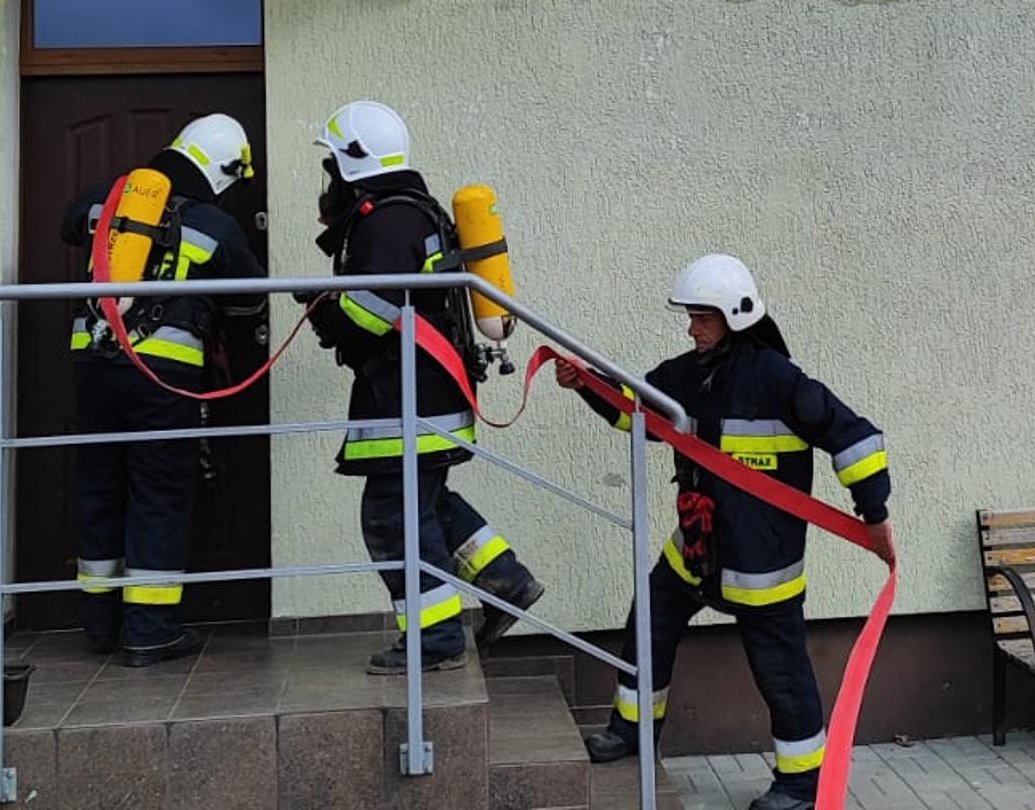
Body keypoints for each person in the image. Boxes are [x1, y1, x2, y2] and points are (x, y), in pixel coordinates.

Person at [555, 253, 894, 810]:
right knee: (651, 617)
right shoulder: (690, 373)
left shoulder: (778, 379)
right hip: (697, 547)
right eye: (690, 317)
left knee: (779, 673)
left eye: (702, 317)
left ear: (735, 316)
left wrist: (874, 514)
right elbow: (637, 411)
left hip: (762, 562)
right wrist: (585, 386)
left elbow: (855, 438)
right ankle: (632, 729)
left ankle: (802, 783)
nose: (692, 328)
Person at [304, 99, 545, 674]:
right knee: (428, 502)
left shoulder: (385, 219)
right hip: (431, 390)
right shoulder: (413, 210)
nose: (328, 177)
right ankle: (506, 581)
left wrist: (322, 314)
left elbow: (367, 314)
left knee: (391, 518)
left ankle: (435, 639)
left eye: (332, 162)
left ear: (352, 162)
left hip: (404, 396)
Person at [60, 113, 266, 667]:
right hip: (163, 379)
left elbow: (67, 224)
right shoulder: (215, 225)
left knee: (99, 486)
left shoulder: (106, 198)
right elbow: (249, 300)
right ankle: (149, 631)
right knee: (159, 494)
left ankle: (99, 623)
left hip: (93, 367)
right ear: (224, 172)